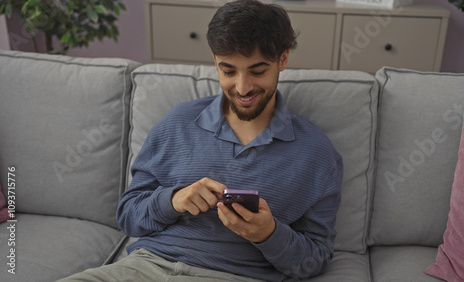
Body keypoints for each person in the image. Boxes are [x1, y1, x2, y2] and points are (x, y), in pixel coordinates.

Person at [59, 0, 342, 281]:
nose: (242, 88)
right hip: (147, 267)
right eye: (228, 71)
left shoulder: (317, 154)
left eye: (257, 71)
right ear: (214, 59)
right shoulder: (177, 123)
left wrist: (269, 234)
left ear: (282, 59)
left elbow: (314, 262)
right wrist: (173, 200)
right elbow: (128, 216)